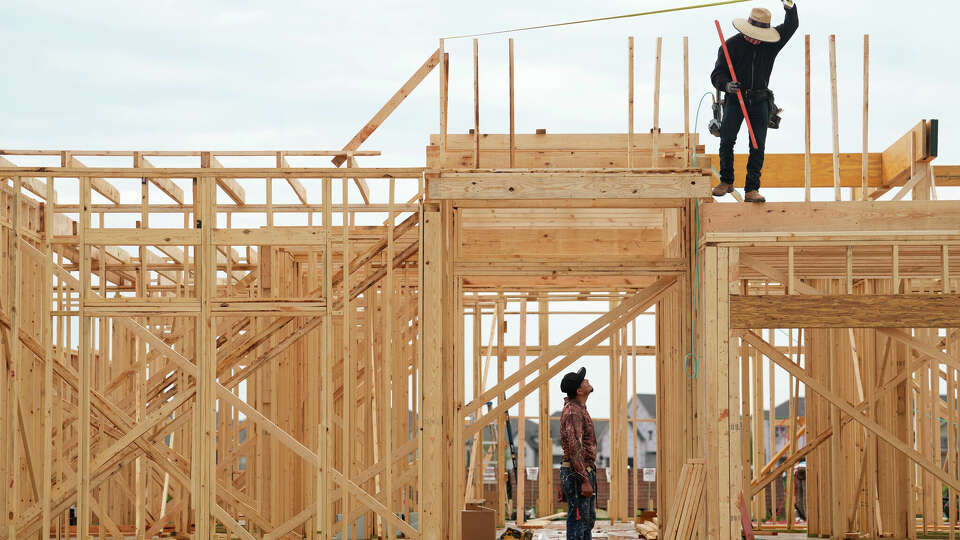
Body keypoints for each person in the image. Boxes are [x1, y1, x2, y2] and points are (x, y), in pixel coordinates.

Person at [710, 1, 799, 203]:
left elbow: (791, 25)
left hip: (760, 100)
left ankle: (752, 189)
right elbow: (717, 74)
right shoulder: (730, 45)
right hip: (735, 98)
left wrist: (790, 7)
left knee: (757, 145)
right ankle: (726, 181)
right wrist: (726, 85)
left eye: (760, 37)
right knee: (726, 139)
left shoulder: (771, 43)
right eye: (752, 35)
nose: (755, 39)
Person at [559, 367, 596, 540]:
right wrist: (584, 480)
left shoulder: (579, 409)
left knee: (586, 522)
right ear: (579, 390)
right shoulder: (574, 411)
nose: (587, 380)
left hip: (578, 473)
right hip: (578, 475)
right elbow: (574, 447)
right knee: (578, 522)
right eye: (584, 380)